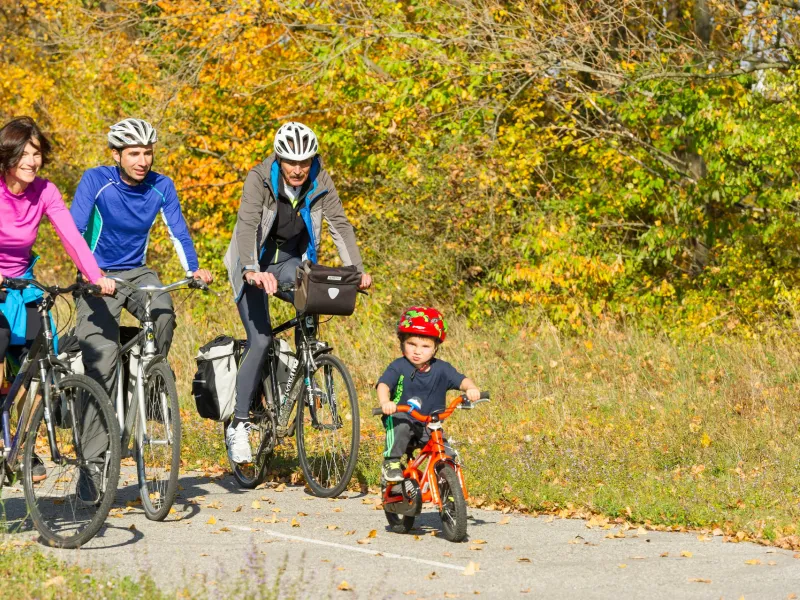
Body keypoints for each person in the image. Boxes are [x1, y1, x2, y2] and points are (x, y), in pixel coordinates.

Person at [224, 121, 372, 464]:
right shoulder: (258, 179)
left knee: (315, 294)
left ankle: (306, 368)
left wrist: (357, 271)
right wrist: (251, 270)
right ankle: (240, 423)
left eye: (305, 161)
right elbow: (247, 226)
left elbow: (340, 226)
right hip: (250, 262)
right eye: (291, 161)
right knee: (260, 340)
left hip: (288, 262)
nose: (298, 169)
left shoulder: (321, 181)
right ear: (279, 158)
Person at [0, 116, 115, 483]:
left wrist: (95, 277)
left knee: (38, 361)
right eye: (25, 153)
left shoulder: (45, 192)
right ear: (8, 155)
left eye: (37, 153)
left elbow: (71, 236)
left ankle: (22, 444)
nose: (32, 161)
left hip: (22, 287)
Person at [70, 118, 212, 394]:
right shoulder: (96, 180)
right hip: (97, 273)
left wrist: (192, 270)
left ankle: (151, 383)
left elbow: (178, 232)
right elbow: (75, 232)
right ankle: (103, 423)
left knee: (163, 313)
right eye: (134, 153)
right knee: (102, 358)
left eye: (148, 152)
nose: (143, 160)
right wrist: (92, 275)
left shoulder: (162, 185)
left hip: (137, 271)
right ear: (116, 154)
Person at [378, 307, 480, 482]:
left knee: (446, 453)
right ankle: (391, 462)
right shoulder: (399, 366)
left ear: (435, 348)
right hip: (402, 418)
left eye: (425, 346)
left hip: (430, 423)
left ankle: (447, 488)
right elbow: (383, 385)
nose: (418, 351)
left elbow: (462, 380)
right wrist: (385, 402)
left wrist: (471, 389)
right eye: (412, 344)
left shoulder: (442, 369)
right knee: (401, 426)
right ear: (402, 343)